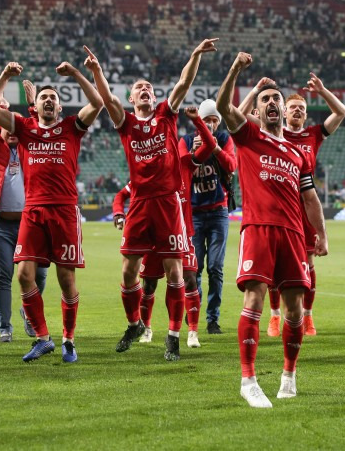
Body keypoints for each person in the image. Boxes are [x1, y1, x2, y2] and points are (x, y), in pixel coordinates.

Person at [93, 40, 218, 361]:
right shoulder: (126, 122)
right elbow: (107, 98)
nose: (145, 89)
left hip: (167, 203)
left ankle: (173, 336)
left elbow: (183, 83)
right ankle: (134, 324)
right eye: (139, 88)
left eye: (148, 86)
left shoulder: (166, 113)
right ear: (132, 99)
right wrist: (96, 70)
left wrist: (195, 55)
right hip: (139, 203)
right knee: (128, 272)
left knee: (176, 273)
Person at [216, 52, 328, 408]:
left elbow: (309, 197)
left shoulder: (298, 154)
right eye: (265, 100)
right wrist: (236, 69)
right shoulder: (249, 136)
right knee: (254, 300)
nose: (272, 104)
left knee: (295, 310)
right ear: (257, 110)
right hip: (258, 229)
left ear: (283, 107)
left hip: (293, 235)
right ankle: (248, 381)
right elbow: (223, 106)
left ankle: (289, 375)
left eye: (276, 99)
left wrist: (321, 234)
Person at [0, 55, 104, 363]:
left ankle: (69, 340)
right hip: (33, 211)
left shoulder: (71, 127)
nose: (49, 100)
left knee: (66, 279)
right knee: (24, 275)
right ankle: (42, 338)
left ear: (60, 107)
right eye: (44, 98)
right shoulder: (24, 128)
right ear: (35, 107)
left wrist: (75, 73)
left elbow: (98, 102)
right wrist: (5, 75)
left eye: (53, 98)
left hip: (64, 211)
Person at [238, 73, 345, 336]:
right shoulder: (272, 130)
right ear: (284, 112)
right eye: (293, 107)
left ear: (305, 115)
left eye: (302, 108)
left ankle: (307, 316)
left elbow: (341, 112)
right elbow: (237, 117)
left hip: (304, 205)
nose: (297, 110)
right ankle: (275, 315)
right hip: (275, 204)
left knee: (307, 264)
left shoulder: (313, 135)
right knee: (271, 268)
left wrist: (322, 90)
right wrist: (256, 92)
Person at [0, 82, 48, 342]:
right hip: (0, 225)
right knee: (2, 276)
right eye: (8, 125)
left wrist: (31, 107)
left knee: (40, 274)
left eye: (17, 126)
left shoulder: (32, 148)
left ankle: (29, 314)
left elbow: (39, 130)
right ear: (0, 128)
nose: (13, 130)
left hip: (30, 223)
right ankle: (4, 327)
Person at [181, 98, 237, 336]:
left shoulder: (223, 139)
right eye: (207, 120)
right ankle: (194, 308)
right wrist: (195, 152)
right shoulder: (185, 141)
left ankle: (213, 319)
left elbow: (231, 165)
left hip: (218, 212)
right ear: (199, 122)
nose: (211, 124)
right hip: (194, 214)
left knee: (215, 268)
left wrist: (213, 147)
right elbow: (181, 168)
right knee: (194, 268)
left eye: (215, 120)